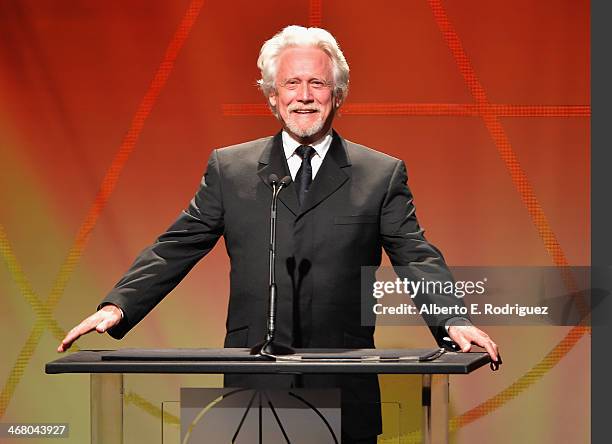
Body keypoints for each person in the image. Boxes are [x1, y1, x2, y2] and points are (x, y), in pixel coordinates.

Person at [58, 25, 499, 443]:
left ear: (338, 94)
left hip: (343, 385)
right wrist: (119, 305)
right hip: (254, 385)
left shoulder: (379, 174)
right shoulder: (231, 170)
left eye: (317, 84)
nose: (304, 97)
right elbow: (179, 245)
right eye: (291, 84)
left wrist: (452, 317)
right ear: (272, 96)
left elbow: (413, 253)